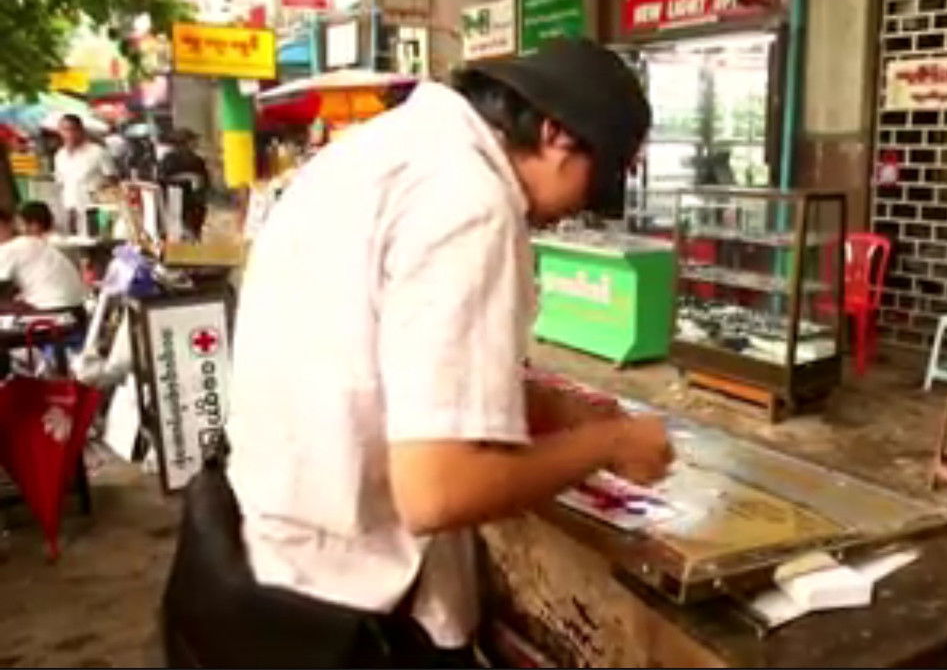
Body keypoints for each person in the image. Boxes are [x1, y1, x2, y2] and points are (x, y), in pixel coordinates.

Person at [163, 38, 671, 667]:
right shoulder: (471, 202)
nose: (576, 212)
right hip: (341, 614)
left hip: (259, 557)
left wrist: (544, 403)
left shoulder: (382, 151)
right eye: (598, 183)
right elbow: (439, 490)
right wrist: (609, 446)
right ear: (557, 136)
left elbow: (370, 353)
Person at [0, 201, 88, 312]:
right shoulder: (34, 243)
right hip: (77, 309)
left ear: (8, 225)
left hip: (52, 310)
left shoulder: (11, 248)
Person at [53, 114, 116, 234]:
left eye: (72, 129)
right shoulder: (59, 156)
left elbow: (113, 180)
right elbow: (61, 183)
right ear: (60, 132)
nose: (69, 134)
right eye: (65, 130)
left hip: (94, 210)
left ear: (81, 130)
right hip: (70, 210)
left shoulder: (97, 152)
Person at [157, 128, 212, 239]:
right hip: (175, 196)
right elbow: (162, 178)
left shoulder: (197, 160)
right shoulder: (169, 159)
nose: (196, 143)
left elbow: (205, 179)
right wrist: (186, 177)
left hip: (194, 198)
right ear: (184, 143)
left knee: (194, 226)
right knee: (177, 228)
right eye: (193, 141)